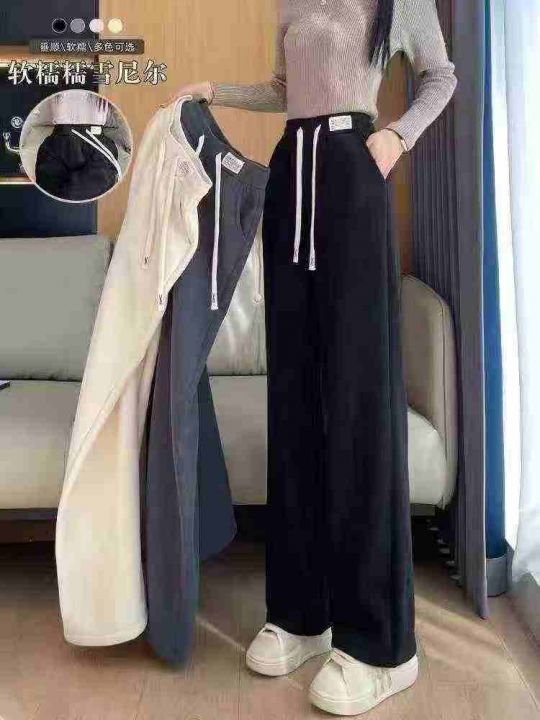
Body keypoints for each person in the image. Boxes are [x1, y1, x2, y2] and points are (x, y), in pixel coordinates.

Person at [165, 0, 457, 714]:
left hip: (354, 175)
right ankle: (303, 613)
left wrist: (395, 138)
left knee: (359, 403)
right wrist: (216, 91)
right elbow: (283, 88)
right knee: (293, 399)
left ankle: (383, 646)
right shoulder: (291, 2)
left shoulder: (397, 2)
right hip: (291, 176)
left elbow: (441, 76)